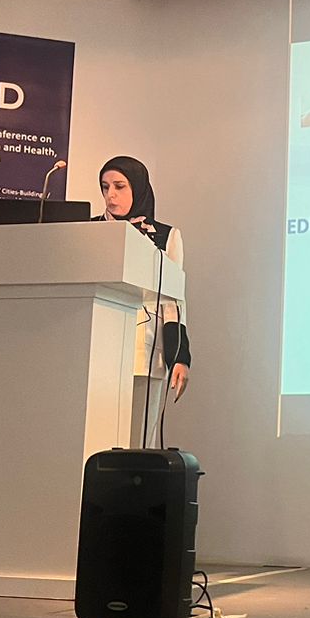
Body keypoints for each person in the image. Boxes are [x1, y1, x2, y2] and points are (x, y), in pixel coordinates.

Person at [96, 157, 191, 421]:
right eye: (105, 187)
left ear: (138, 188)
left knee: (140, 435)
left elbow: (172, 303)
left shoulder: (165, 236)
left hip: (144, 351)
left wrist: (179, 356)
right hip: (94, 347)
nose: (110, 195)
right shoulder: (88, 229)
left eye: (119, 186)